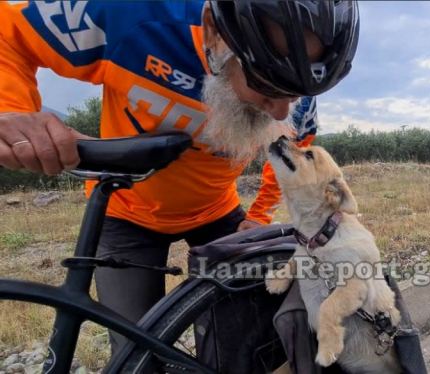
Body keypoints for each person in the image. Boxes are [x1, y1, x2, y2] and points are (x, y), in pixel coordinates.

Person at [0, 0, 359, 358]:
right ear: (216, 35)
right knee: (134, 354)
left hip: (218, 212)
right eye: (264, 84)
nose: (282, 109)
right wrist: (12, 109)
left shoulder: (294, 86)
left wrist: (260, 214)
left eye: (296, 94)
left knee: (240, 349)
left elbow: (294, 153)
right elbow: (8, 31)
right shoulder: (134, 17)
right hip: (126, 211)